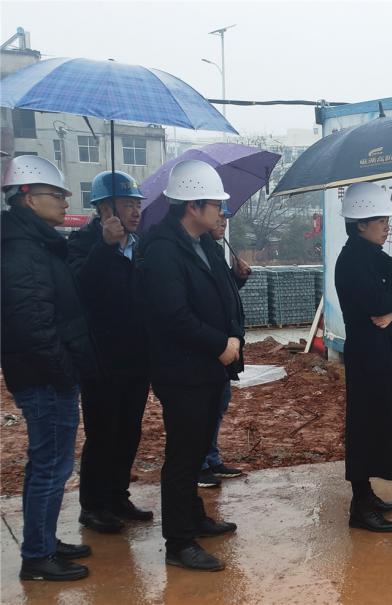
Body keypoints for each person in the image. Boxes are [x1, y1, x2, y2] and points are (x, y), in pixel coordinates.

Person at [137, 160, 243, 571]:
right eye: (216, 205)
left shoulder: (204, 244)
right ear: (193, 206)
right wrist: (219, 344)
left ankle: (194, 516)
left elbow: (221, 292)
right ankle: (179, 542)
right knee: (183, 456)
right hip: (182, 371)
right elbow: (172, 315)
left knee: (198, 449)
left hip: (209, 368)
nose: (221, 212)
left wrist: (233, 333)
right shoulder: (163, 249)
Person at [1, 155, 96, 581]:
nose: (64, 201)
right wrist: (64, 374)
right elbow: (33, 325)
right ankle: (38, 557)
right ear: (27, 197)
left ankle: (43, 540)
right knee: (51, 466)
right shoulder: (22, 252)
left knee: (48, 464)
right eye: (55, 194)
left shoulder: (37, 244)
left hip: (47, 374)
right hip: (44, 378)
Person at [334, 182, 392, 533]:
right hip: (368, 355)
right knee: (365, 424)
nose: (387, 226)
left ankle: (366, 492)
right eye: (381, 220)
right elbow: (376, 303)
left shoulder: (377, 257)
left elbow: (389, 308)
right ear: (360, 223)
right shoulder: (352, 261)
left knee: (385, 419)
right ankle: (359, 506)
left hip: (388, 350)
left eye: (387, 220)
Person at [67, 170, 152, 534]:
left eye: (137, 205)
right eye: (127, 204)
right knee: (103, 433)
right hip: (101, 358)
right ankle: (93, 505)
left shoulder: (139, 246)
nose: (135, 211)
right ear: (104, 208)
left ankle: (118, 496)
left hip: (136, 356)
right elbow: (80, 289)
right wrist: (104, 247)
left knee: (129, 430)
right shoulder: (82, 243)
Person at [198, 202, 250, 489]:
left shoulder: (214, 251)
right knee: (204, 408)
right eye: (218, 216)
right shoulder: (198, 252)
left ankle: (211, 457)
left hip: (224, 346)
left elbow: (223, 296)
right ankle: (199, 463)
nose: (223, 222)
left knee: (218, 404)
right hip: (211, 348)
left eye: (226, 217)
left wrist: (237, 278)